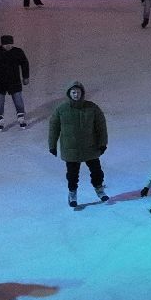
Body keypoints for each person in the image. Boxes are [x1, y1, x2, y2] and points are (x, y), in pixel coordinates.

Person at [48, 81, 109, 209]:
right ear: (69, 93)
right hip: (71, 149)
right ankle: (72, 194)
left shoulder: (92, 108)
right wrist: (52, 145)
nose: (76, 94)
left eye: (78, 92)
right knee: (72, 174)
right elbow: (54, 128)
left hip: (90, 147)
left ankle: (99, 189)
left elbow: (101, 127)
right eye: (73, 92)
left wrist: (102, 143)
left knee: (96, 171)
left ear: (82, 93)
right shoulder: (61, 110)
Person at [0, 35, 30, 131]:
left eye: (10, 44)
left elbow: (24, 63)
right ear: (2, 44)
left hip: (14, 81)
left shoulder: (18, 52)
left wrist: (25, 77)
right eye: (6, 45)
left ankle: (21, 118)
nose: (8, 46)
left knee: (18, 100)